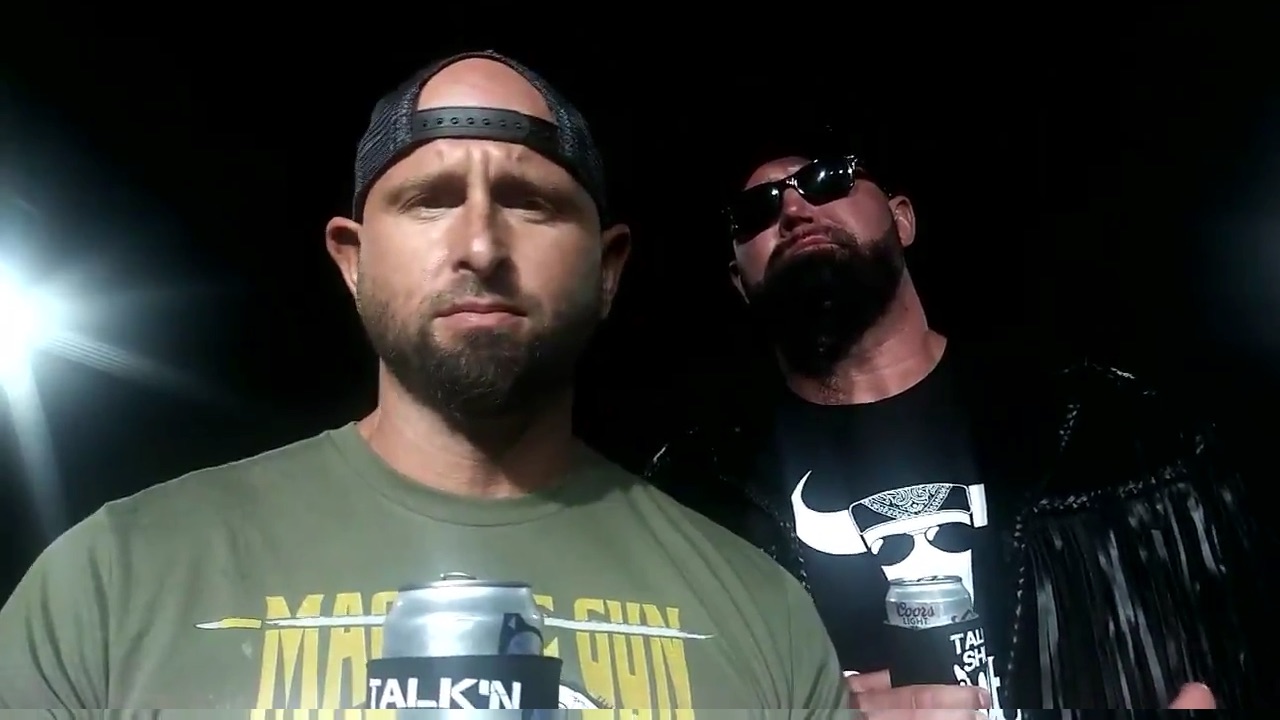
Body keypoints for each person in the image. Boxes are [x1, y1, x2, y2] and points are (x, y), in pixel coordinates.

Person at [0, 52, 852, 715]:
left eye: (530, 202)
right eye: (429, 200)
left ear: (607, 268)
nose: (480, 246)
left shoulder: (763, 616)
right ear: (353, 260)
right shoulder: (110, 584)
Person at [644, 136, 1267, 714]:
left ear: (902, 219)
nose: (794, 210)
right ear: (739, 281)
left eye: (827, 180)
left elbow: (1238, 642)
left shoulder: (1113, 429)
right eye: (755, 211)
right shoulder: (689, 499)